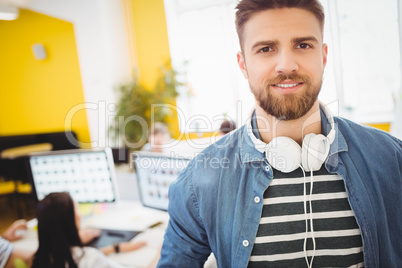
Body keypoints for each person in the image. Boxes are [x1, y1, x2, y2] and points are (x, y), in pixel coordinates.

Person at [158, 0, 402, 267]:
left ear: (323, 56)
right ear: (243, 65)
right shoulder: (202, 178)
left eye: (303, 45)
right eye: (266, 48)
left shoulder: (391, 159)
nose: (286, 65)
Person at [32, 192, 146, 268]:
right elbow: (88, 260)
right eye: (76, 209)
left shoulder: (39, 258)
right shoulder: (91, 258)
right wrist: (161, 253)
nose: (80, 214)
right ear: (70, 220)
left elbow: (73, 256)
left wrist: (115, 248)